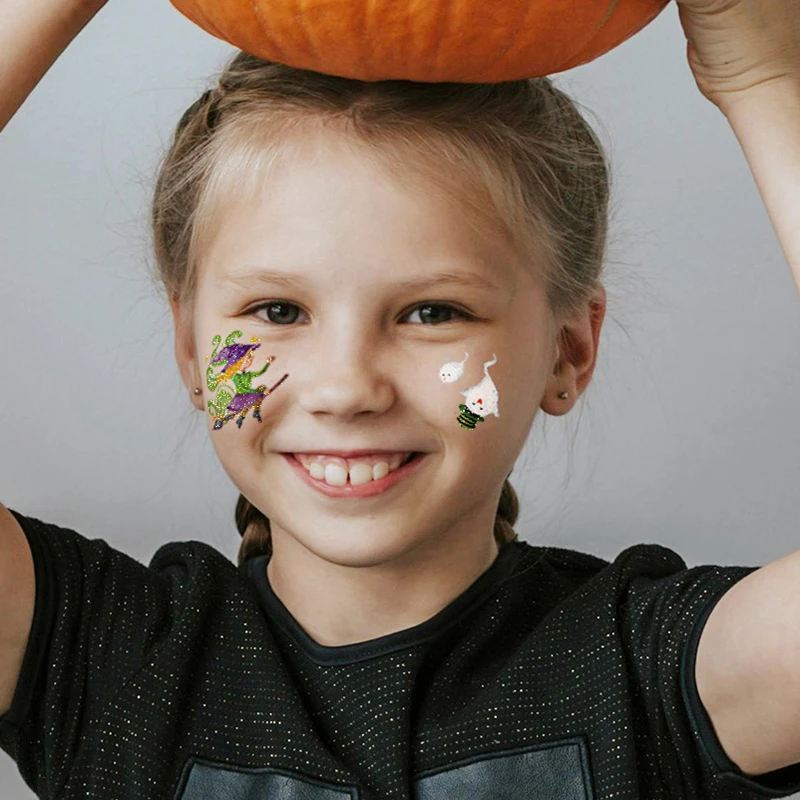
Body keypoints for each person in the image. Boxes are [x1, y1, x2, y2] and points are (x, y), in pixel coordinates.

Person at [1, 0, 799, 797]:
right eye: (278, 312)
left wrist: (766, 78)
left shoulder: (647, 674)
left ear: (568, 349)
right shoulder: (105, 662)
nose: (346, 388)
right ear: (193, 352)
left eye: (432, 313)